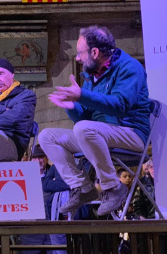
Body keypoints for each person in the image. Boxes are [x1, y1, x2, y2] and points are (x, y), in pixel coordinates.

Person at [38, 25, 150, 216]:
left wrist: (81, 95)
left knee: (84, 129)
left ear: (95, 52)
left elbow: (120, 105)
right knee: (47, 136)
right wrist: (71, 106)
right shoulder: (92, 75)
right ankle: (83, 188)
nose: (78, 58)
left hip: (130, 133)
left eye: (80, 53)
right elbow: (84, 117)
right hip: (98, 133)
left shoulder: (129, 67)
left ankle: (113, 187)